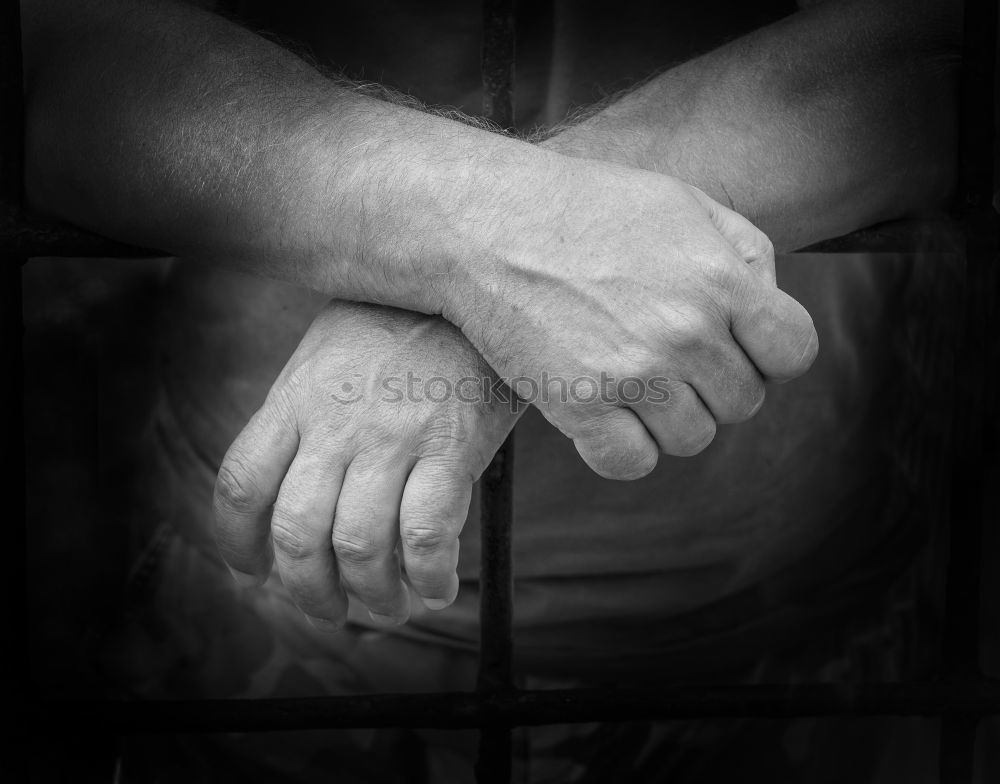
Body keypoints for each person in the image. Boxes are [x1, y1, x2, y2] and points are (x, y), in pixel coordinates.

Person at [22, 0, 962, 780]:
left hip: (789, 624)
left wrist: (484, 266)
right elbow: (53, 55)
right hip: (266, 615)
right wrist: (490, 236)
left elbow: (938, 54)